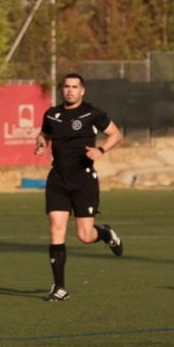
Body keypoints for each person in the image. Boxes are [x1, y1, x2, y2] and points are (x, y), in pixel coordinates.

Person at [34, 72, 124, 301]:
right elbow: (44, 135)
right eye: (66, 87)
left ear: (82, 91)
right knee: (56, 228)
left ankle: (104, 233)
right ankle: (60, 288)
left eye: (74, 87)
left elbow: (116, 134)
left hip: (84, 181)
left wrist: (101, 151)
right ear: (62, 90)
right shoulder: (52, 114)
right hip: (58, 180)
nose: (70, 90)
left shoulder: (92, 113)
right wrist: (41, 144)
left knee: (84, 235)